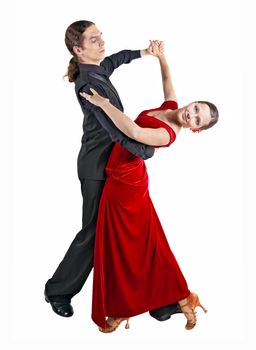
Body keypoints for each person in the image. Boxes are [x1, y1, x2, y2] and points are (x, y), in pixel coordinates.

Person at [44, 20, 181, 321]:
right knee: (95, 233)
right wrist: (148, 150)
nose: (101, 42)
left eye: (101, 36)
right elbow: (116, 133)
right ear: (78, 49)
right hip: (98, 166)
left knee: (137, 229)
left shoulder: (97, 69)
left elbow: (113, 60)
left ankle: (156, 299)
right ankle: (58, 291)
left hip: (118, 167)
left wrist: (144, 53)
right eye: (94, 39)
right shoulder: (88, 84)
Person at [79, 40, 218, 332]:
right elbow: (168, 83)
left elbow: (132, 130)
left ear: (195, 129)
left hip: (124, 185)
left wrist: (104, 104)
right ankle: (181, 300)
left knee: (121, 247)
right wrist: (160, 57)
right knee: (145, 245)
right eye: (194, 108)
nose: (189, 114)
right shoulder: (171, 109)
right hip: (127, 178)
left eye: (196, 119)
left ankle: (125, 309)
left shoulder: (167, 134)